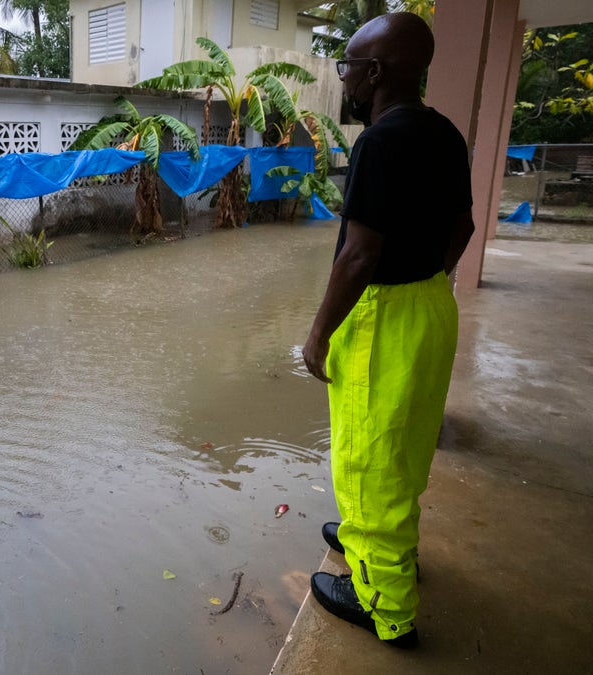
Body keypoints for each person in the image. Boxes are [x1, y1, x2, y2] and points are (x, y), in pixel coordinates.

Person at [301, 12, 475, 649]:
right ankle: (369, 543)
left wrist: (319, 333)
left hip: (386, 314)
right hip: (432, 305)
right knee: (400, 449)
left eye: (347, 64)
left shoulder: (376, 143)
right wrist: (429, 274)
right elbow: (464, 228)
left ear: (374, 73)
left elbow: (359, 255)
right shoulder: (445, 134)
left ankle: (385, 604)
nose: (342, 75)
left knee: (370, 455)